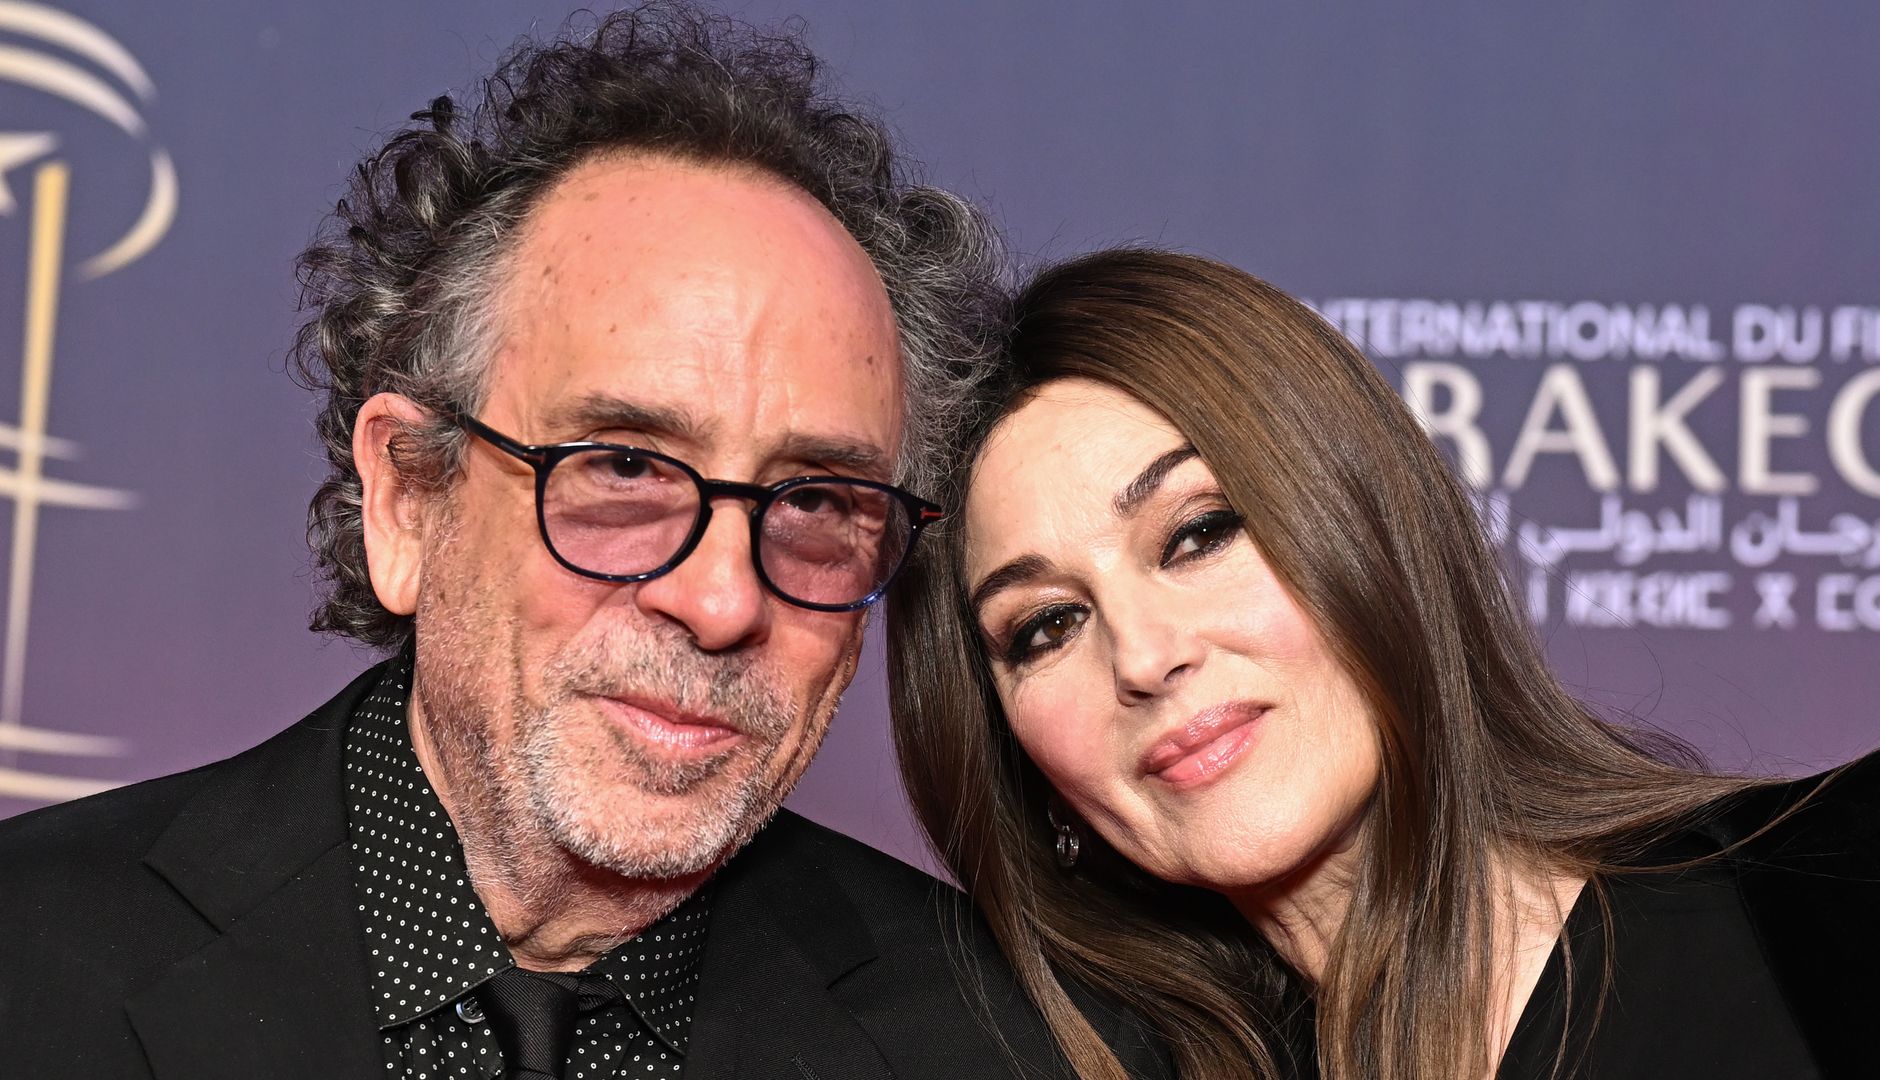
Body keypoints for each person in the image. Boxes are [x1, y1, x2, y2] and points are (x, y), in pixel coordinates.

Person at [0, 10, 1171, 1079]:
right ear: (407, 498)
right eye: (623, 469)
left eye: (815, 500)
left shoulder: (1026, 1051)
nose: (721, 601)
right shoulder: (31, 961)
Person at [886, 248, 1880, 1080]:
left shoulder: (1868, 883)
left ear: (1368, 532)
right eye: (1046, 626)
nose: (1146, 656)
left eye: (1199, 533)